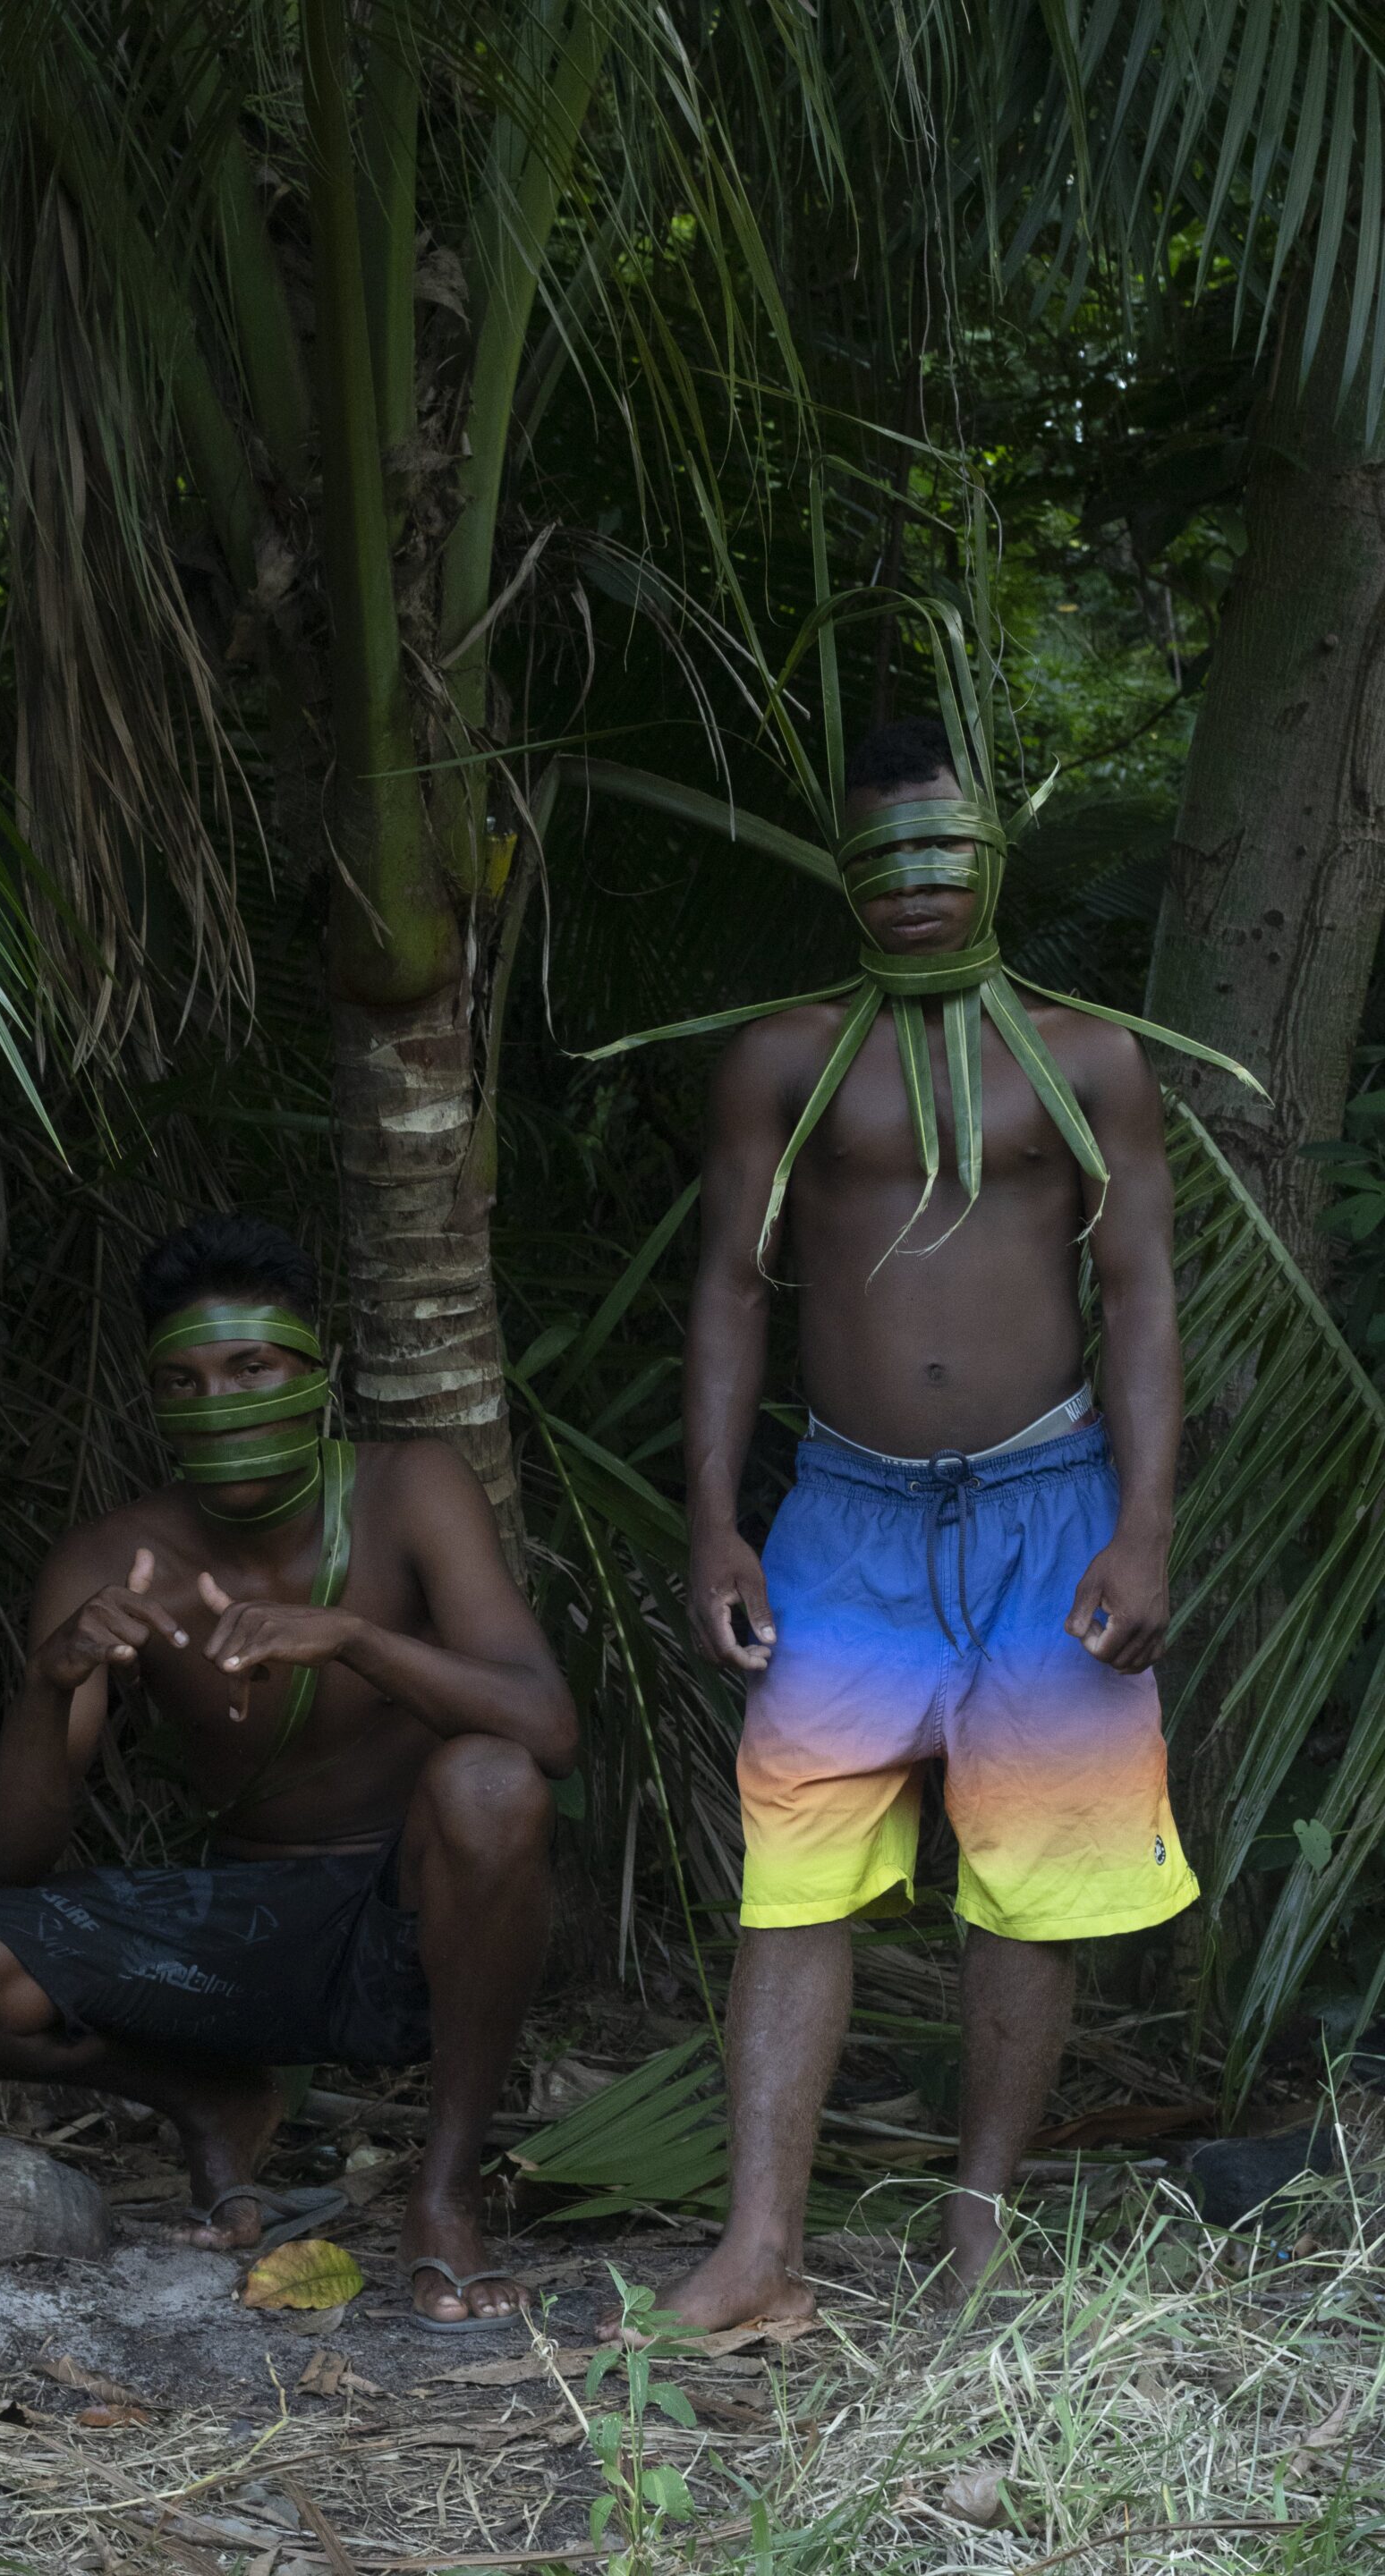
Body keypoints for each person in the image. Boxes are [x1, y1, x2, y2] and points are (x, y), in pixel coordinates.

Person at [654, 712, 1205, 2330]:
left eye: (943, 854)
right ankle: (762, 2255)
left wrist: (1147, 1524)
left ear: (989, 864)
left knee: (1033, 1875)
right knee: (796, 1870)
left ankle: (978, 2235)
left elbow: (1143, 1296)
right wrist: (716, 1522)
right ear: (845, 871)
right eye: (884, 857)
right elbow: (728, 1294)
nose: (913, 887)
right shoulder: (782, 1057)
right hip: (845, 1517)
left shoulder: (1088, 1055)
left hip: (1053, 1509)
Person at [0, 1215, 577, 2332]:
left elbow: (546, 1727)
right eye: (186, 1380)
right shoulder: (112, 1557)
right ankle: (208, 2096)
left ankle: (444, 2195)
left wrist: (352, 1639)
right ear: (153, 1400)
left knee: (491, 1782)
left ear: (318, 1372)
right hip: (241, 1932)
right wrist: (52, 1682)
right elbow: (9, 1859)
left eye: (252, 1367)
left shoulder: (410, 1490)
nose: (222, 1404)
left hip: (412, 1920)